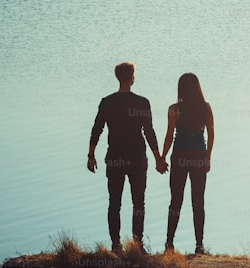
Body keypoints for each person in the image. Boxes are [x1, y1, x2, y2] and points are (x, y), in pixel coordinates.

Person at [88, 62, 167, 252]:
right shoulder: (142, 103)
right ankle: (137, 245)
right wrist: (158, 158)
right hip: (137, 158)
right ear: (132, 78)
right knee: (138, 203)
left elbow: (96, 129)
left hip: (115, 157)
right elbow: (149, 132)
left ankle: (116, 245)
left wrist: (91, 155)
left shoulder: (107, 102)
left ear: (117, 78)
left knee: (114, 202)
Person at [161, 72, 214, 254]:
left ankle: (169, 243)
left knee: (175, 200)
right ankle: (199, 245)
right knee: (198, 201)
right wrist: (208, 157)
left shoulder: (174, 109)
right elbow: (211, 134)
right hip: (198, 156)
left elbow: (169, 135)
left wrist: (161, 157)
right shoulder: (205, 108)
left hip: (179, 156)